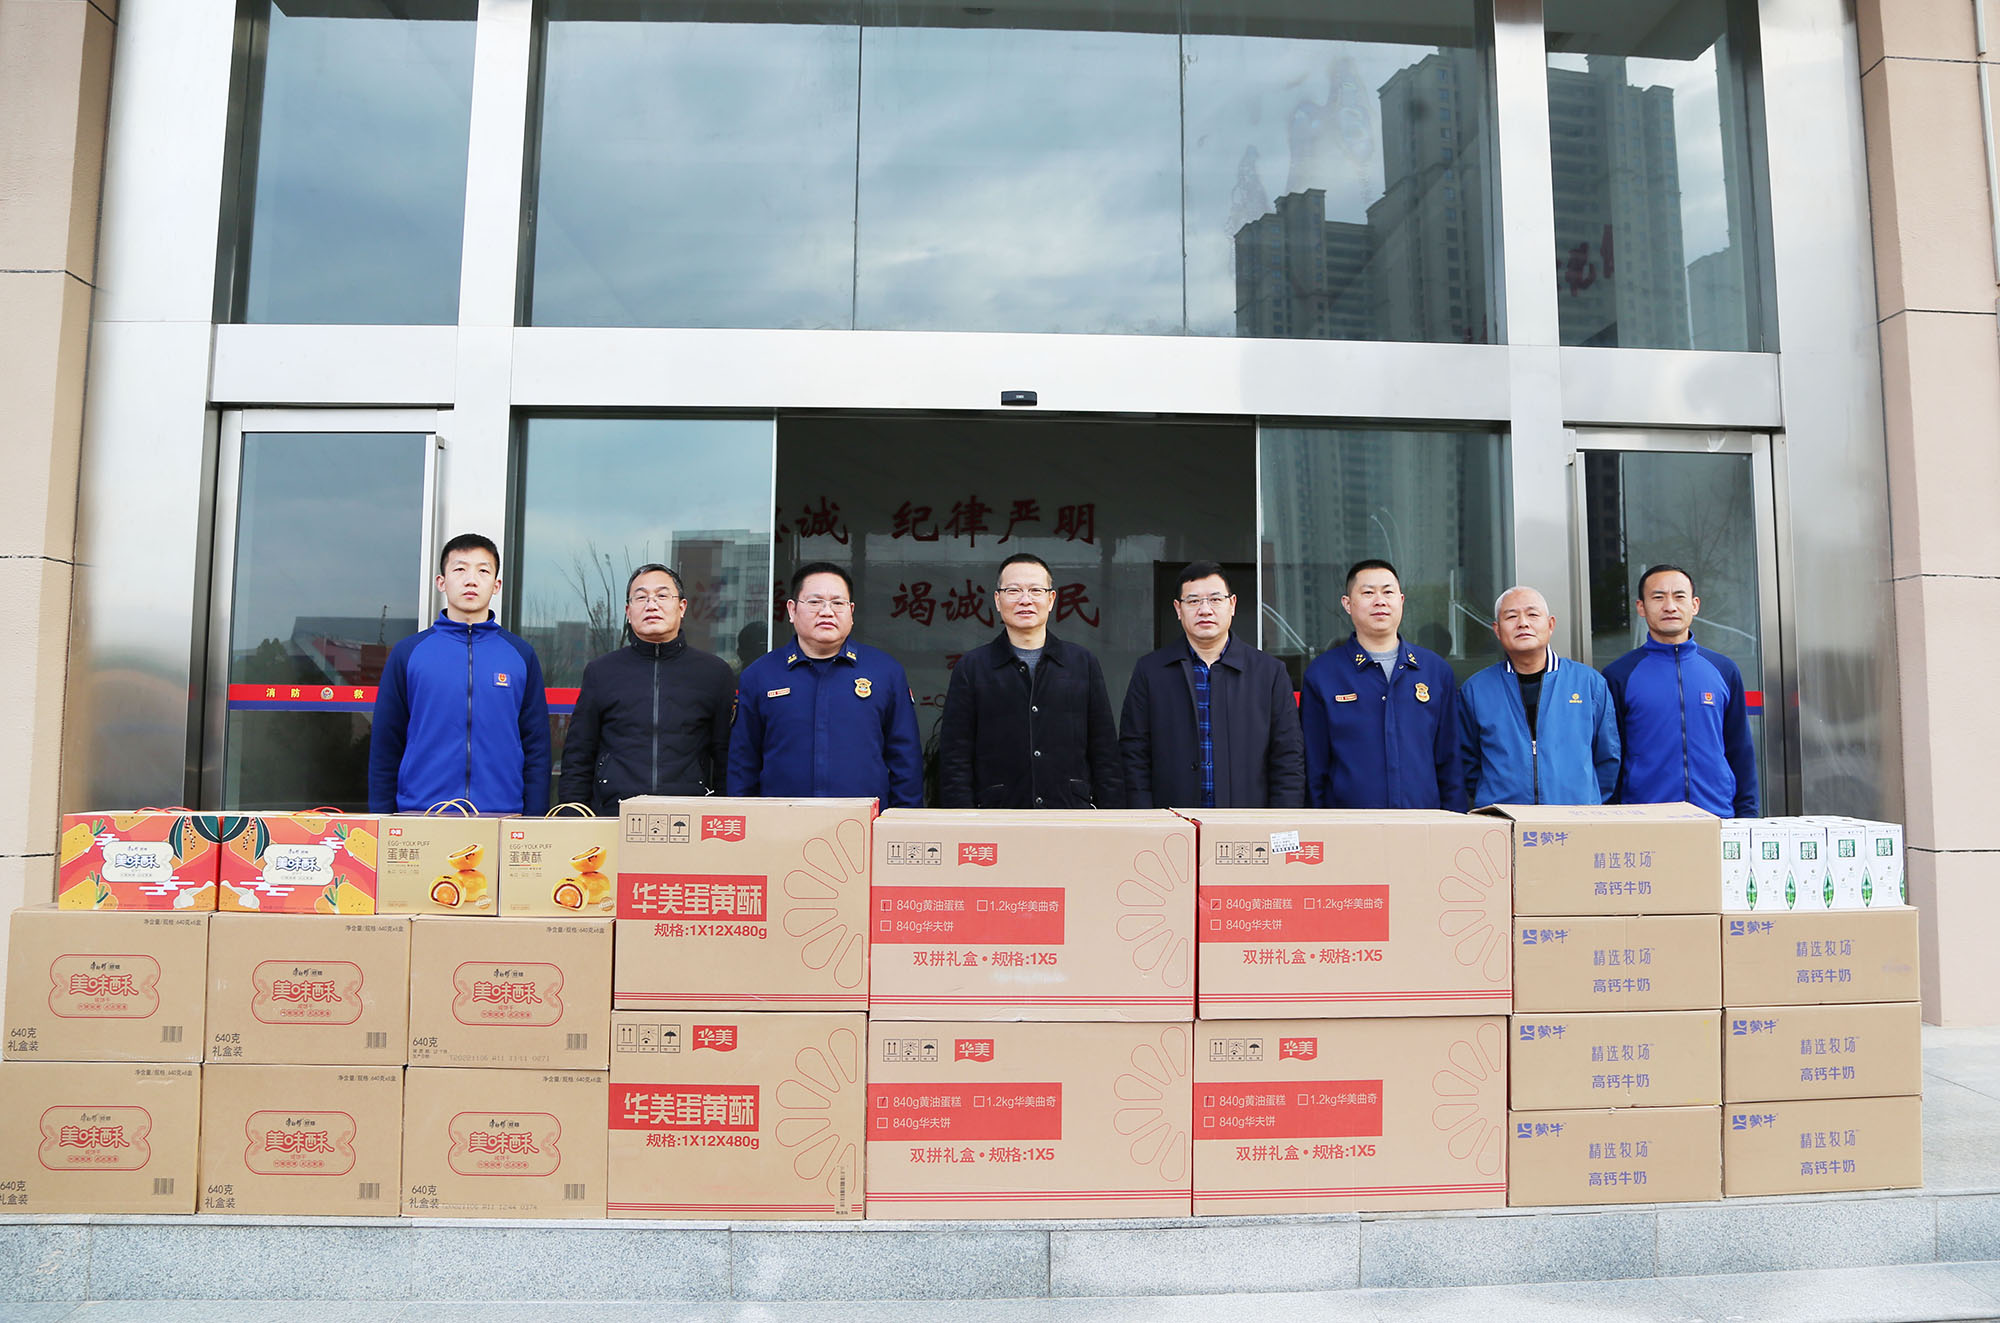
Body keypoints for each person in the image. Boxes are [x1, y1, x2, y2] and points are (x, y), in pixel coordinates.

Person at [369, 533, 550, 814]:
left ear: (496, 585)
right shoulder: (409, 653)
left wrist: (534, 819)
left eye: (483, 571)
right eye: (460, 569)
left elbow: (536, 745)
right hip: (420, 813)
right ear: (441, 581)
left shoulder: (520, 655)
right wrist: (382, 818)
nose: (471, 580)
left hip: (502, 815)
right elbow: (385, 744)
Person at [728, 562, 924, 807]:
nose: (827, 611)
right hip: (782, 823)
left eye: (838, 603)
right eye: (815, 602)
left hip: (863, 823)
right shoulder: (760, 675)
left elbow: (906, 761)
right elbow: (742, 763)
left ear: (851, 612)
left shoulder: (885, 672)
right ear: (792, 610)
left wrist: (902, 821)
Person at [937, 552, 1122, 809]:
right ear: (997, 600)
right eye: (1013, 591)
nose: (1025, 600)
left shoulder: (1082, 663)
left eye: (1036, 590)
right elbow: (955, 757)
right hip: (996, 815)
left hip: (1070, 813)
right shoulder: (972, 667)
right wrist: (964, 818)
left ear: (1051, 599)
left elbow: (1105, 752)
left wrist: (1111, 816)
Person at [1118, 561, 1304, 809]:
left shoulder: (1269, 673)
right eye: (1193, 601)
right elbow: (1134, 755)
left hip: (1248, 823)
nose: (1205, 610)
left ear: (1232, 605)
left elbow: (1288, 758)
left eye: (1215, 600)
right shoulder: (1150, 671)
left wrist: (1280, 822)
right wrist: (1146, 819)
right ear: (1178, 609)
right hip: (1171, 822)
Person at [557, 563, 735, 814]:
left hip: (690, 817)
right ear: (628, 612)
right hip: (613, 815)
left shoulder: (714, 674)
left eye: (662, 595)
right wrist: (572, 814)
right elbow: (579, 754)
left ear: (682, 607)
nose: (652, 605)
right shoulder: (601, 672)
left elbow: (727, 757)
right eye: (641, 598)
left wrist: (726, 814)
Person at [1299, 558, 1463, 810]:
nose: (1380, 601)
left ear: (1401, 600)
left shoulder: (1435, 671)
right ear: (1347, 604)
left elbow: (1450, 762)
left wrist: (1454, 822)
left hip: (1424, 823)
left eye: (1388, 592)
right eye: (1368, 593)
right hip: (1349, 825)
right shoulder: (1323, 674)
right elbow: (1314, 767)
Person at [1603, 564, 1758, 817]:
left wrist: (1747, 816)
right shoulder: (1619, 675)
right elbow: (1611, 756)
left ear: (1694, 605)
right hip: (1644, 818)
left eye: (1679, 596)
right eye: (1658, 597)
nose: (1670, 606)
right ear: (1641, 607)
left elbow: (1740, 749)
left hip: (1716, 815)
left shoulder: (1723, 670)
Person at [1458, 586, 1619, 806]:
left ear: (1550, 624)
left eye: (1532, 614)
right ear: (1497, 630)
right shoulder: (1476, 689)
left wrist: (1586, 800)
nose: (1523, 623)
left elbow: (1608, 758)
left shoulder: (1588, 683)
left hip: (1575, 817)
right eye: (1511, 616)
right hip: (1503, 817)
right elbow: (1467, 763)